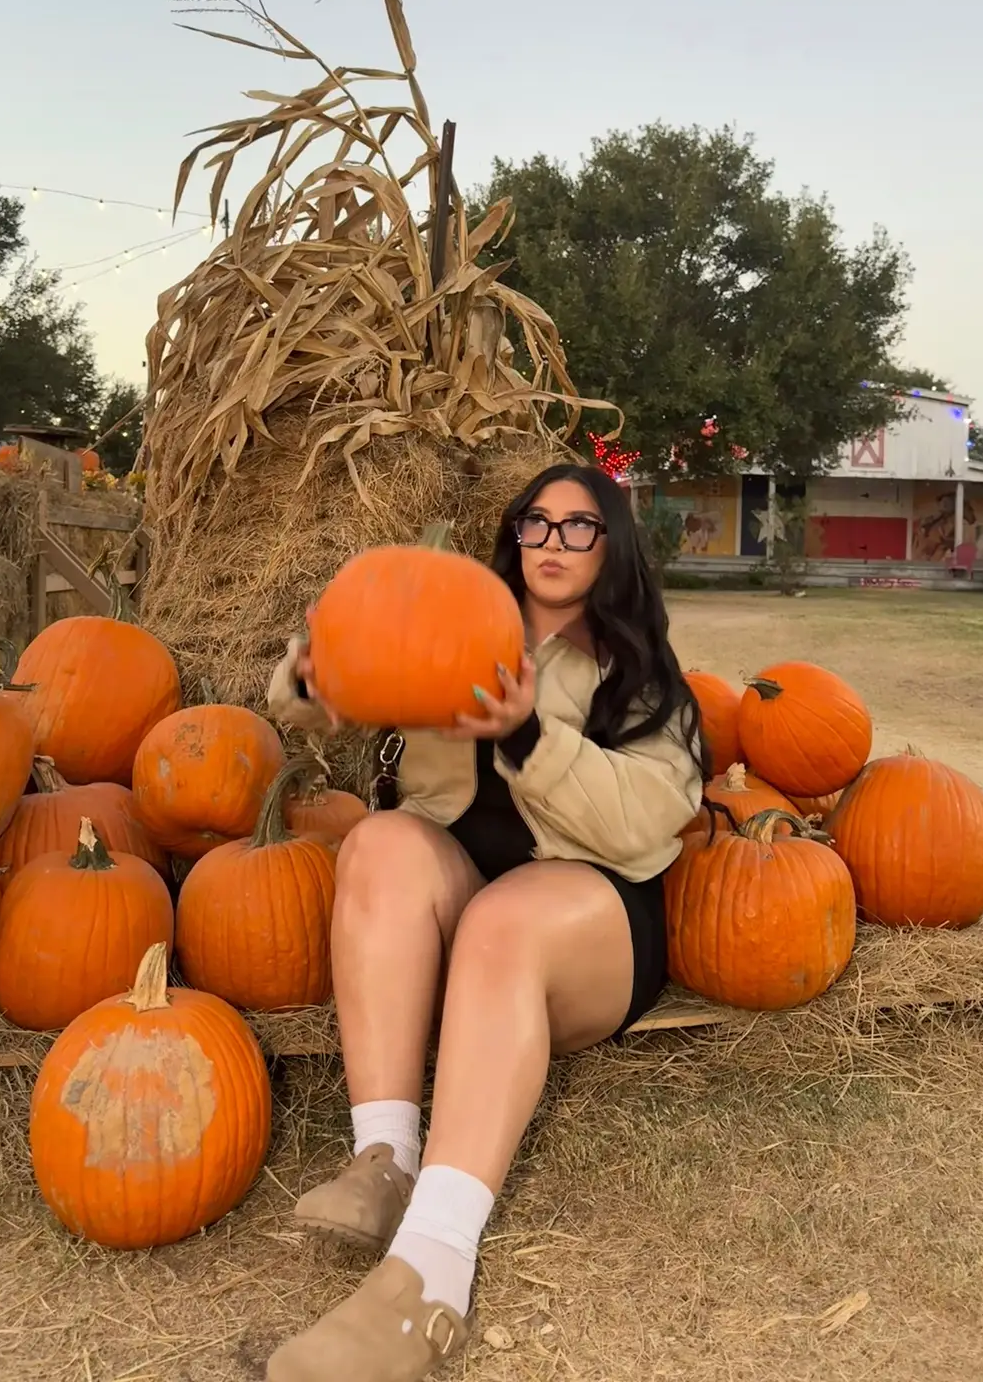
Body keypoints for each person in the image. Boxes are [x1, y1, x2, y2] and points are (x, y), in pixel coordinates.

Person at [264, 464, 706, 1381]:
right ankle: (385, 1158)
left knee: (504, 920)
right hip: (464, 901)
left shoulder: (640, 673)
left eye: (579, 526)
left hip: (587, 924)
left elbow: (644, 820)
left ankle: (433, 1273)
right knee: (380, 842)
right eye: (537, 523)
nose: (554, 541)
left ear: (612, 544)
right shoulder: (451, 621)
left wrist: (526, 735)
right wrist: (312, 677)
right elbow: (329, 692)